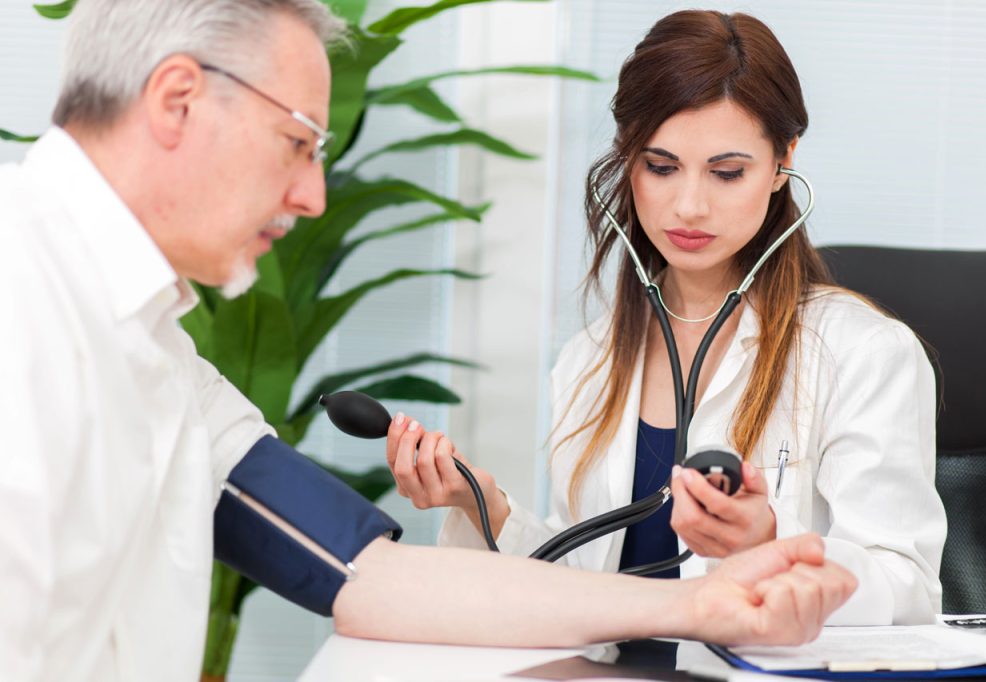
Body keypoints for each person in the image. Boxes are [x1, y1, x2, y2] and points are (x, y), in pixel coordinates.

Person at [0, 1, 858, 680]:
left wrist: (698, 608)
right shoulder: (21, 297)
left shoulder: (160, 361)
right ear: (177, 99)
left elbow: (369, 578)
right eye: (298, 143)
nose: (312, 196)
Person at [386, 9, 946, 625]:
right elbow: (589, 584)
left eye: (727, 172)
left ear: (784, 160)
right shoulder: (589, 359)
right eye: (661, 166)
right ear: (628, 160)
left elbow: (909, 593)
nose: (690, 205)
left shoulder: (863, 354)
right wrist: (484, 506)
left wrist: (769, 545)